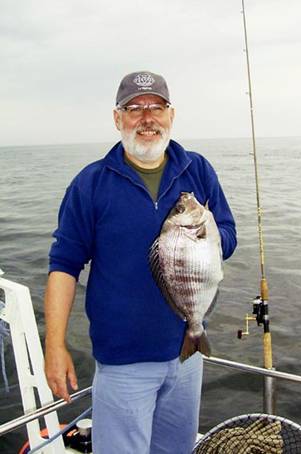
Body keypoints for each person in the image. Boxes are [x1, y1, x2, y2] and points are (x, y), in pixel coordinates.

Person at [44, 70, 237, 454]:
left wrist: (209, 239)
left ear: (171, 115)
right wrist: (55, 345)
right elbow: (64, 265)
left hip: (186, 354)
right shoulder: (90, 183)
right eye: (134, 108)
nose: (146, 118)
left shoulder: (198, 169)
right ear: (118, 118)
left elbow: (228, 237)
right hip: (122, 363)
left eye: (156, 107)